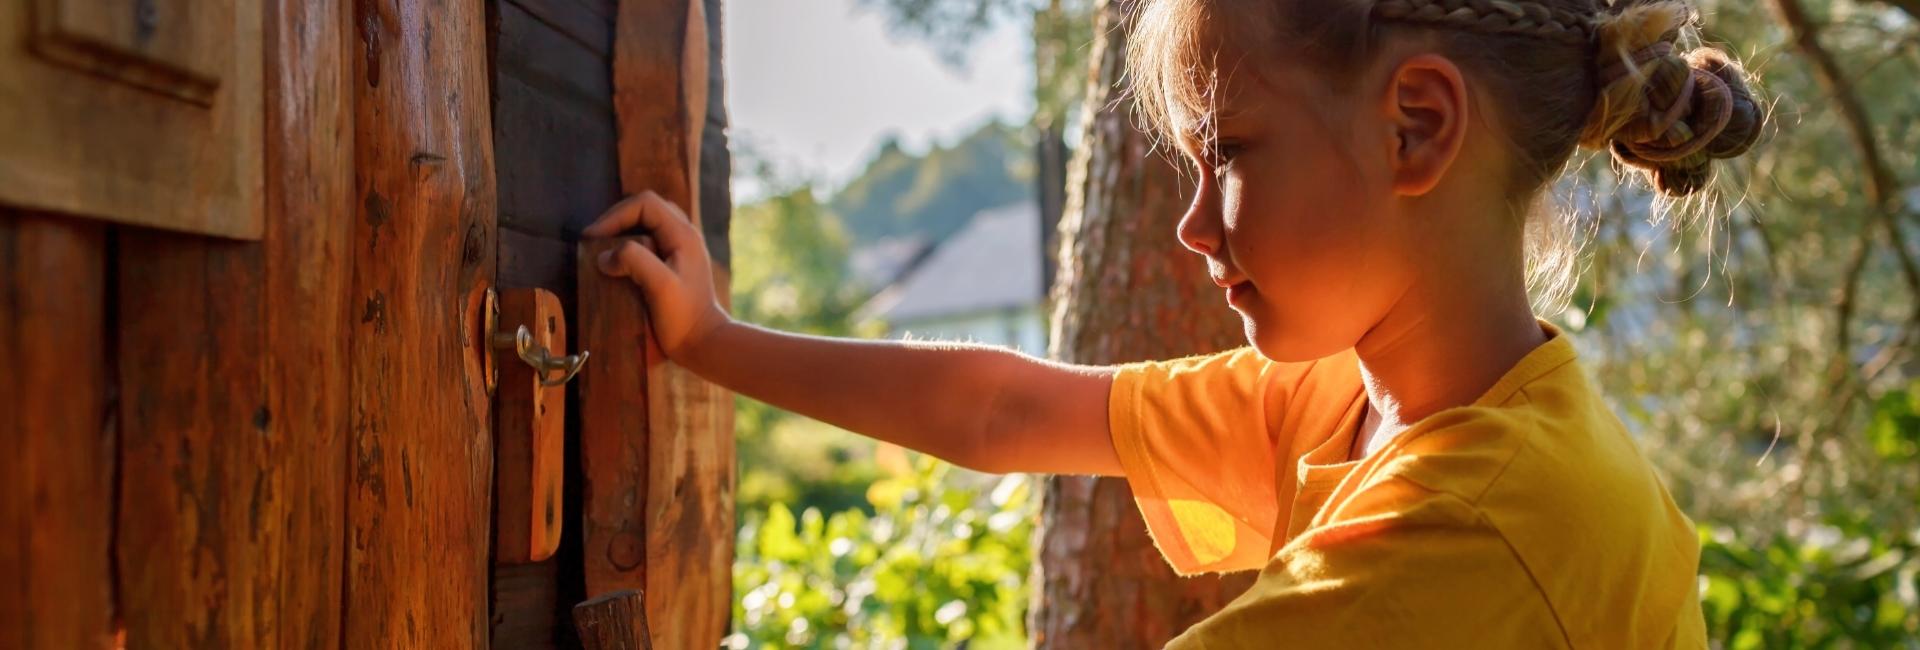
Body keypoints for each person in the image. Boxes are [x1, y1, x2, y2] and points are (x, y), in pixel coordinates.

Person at [585, 0, 1762, 645]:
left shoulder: (1480, 527)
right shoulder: (1365, 400)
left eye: (1231, 154)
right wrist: (711, 340)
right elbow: (1003, 408)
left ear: (1416, 126)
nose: (1194, 225)